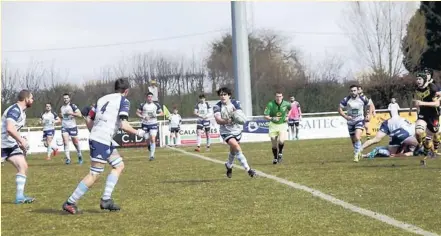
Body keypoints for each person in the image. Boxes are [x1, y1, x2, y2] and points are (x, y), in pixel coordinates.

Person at [62, 78, 146, 214]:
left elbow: (89, 120)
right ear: (126, 91)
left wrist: (95, 133)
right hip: (102, 139)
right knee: (94, 173)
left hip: (102, 138)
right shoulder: (123, 100)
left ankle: (106, 199)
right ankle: (70, 202)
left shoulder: (102, 99)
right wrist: (139, 132)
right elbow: (124, 124)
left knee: (119, 165)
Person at [213, 87, 256, 178]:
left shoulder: (235, 103)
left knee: (233, 151)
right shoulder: (217, 106)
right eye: (221, 95)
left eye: (225, 94)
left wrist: (237, 116)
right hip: (226, 132)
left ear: (229, 95)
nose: (223, 96)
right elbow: (218, 120)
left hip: (237, 130)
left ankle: (229, 165)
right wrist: (226, 121)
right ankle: (248, 169)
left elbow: (240, 115)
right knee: (236, 147)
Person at [1, 90, 35, 204]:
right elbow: (10, 128)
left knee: (23, 166)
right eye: (31, 98)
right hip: (1, 144)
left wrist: (20, 141)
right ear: (26, 99)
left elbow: (14, 130)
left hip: (10, 146)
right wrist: (21, 141)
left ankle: (20, 197)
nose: (33, 100)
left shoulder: (22, 112)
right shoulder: (15, 110)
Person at [412, 71, 440, 166]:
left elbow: (436, 104)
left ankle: (430, 152)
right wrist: (415, 107)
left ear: (424, 79)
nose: (418, 81)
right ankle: (422, 145)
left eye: (420, 79)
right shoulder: (416, 89)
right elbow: (416, 100)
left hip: (433, 115)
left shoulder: (432, 87)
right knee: (418, 132)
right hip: (423, 114)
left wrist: (422, 103)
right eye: (417, 79)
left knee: (435, 137)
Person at [338, 85, 371, 162]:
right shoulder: (346, 99)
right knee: (354, 141)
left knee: (357, 136)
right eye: (352, 91)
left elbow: (369, 105)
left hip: (359, 120)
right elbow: (339, 109)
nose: (353, 92)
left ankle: (356, 155)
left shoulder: (363, 98)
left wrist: (368, 114)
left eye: (355, 90)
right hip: (350, 122)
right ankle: (358, 152)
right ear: (350, 91)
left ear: (357, 91)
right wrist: (346, 117)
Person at [263, 91, 291, 164]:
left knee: (281, 140)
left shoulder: (286, 104)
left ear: (282, 97)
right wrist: (272, 118)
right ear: (275, 97)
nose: (278, 98)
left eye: (280, 96)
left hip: (282, 124)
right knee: (274, 144)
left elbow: (291, 109)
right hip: (273, 125)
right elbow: (265, 116)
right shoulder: (270, 104)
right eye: (277, 96)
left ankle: (280, 153)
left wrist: (288, 116)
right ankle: (275, 158)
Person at [136, 92, 164, 161]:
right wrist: (143, 117)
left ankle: (152, 156)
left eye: (151, 97)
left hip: (153, 124)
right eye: (149, 97)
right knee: (147, 139)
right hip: (145, 124)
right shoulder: (142, 105)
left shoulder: (156, 105)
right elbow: (137, 112)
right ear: (146, 97)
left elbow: (162, 113)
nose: (150, 98)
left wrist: (156, 115)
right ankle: (149, 146)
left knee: (153, 138)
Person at [60, 93, 84, 164]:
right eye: (64, 98)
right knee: (65, 142)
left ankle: (79, 155)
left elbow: (80, 115)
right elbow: (62, 116)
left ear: (69, 99)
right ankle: (68, 159)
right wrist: (61, 115)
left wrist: (72, 113)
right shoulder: (62, 107)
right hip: (64, 127)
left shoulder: (73, 106)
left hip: (72, 127)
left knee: (75, 143)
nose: (65, 99)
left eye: (67, 98)